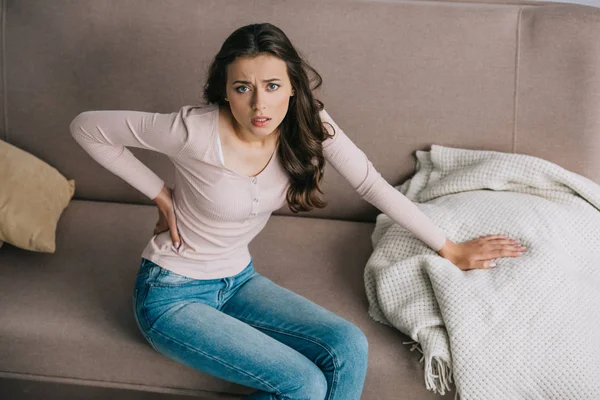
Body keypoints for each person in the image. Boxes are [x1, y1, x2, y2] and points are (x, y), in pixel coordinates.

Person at [69, 22, 526, 400]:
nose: (259, 104)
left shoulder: (310, 126)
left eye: (272, 86)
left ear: (292, 87)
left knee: (349, 346)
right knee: (303, 383)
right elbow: (87, 128)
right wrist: (159, 192)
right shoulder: (193, 130)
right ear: (225, 92)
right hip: (172, 295)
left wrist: (449, 247)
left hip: (238, 281)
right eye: (242, 88)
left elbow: (370, 183)